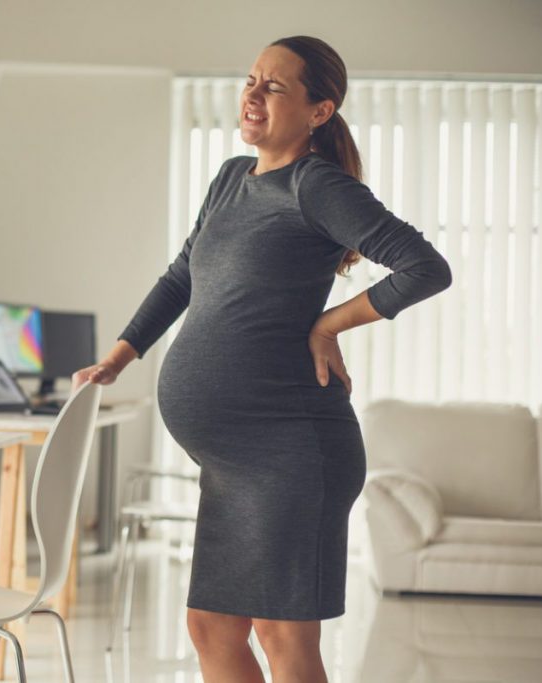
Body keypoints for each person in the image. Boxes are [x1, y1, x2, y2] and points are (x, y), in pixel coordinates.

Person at [72, 35, 452, 682]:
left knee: (283, 637)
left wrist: (331, 320)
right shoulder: (230, 178)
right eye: (251, 79)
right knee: (210, 627)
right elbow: (181, 276)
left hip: (292, 452)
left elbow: (425, 267)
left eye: (274, 86)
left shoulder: (316, 186)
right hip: (231, 463)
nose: (253, 94)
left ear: (319, 111)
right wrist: (118, 356)